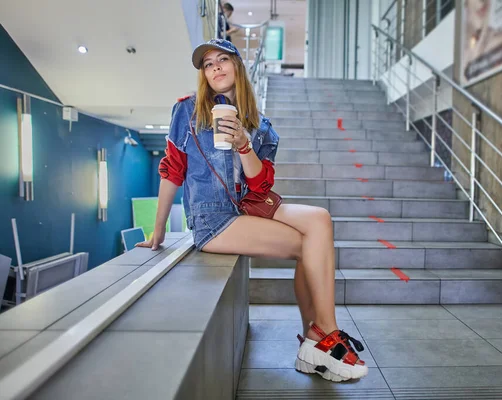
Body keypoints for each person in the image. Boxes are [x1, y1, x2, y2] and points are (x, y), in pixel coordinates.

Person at [136, 38, 368, 382]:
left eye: (222, 59)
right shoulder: (186, 111)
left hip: (250, 207)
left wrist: (244, 144)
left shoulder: (263, 126)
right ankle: (325, 335)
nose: (215, 67)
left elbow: (260, 185)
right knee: (310, 245)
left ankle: (315, 340)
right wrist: (157, 230)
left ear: (237, 66)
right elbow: (173, 170)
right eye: (207, 64)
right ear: (204, 74)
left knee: (319, 221)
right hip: (213, 218)